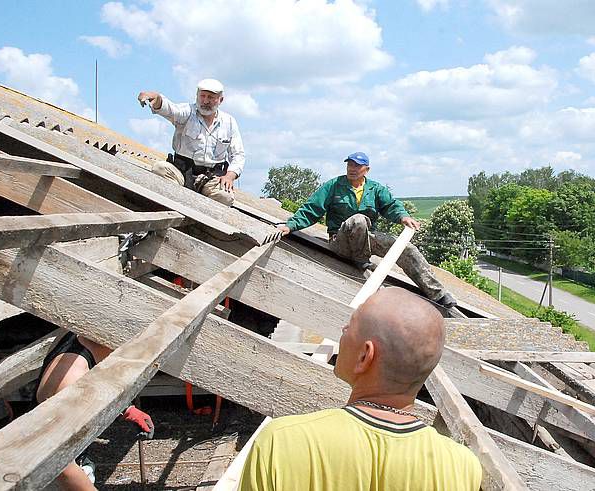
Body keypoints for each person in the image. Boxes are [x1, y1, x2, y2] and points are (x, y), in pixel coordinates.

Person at [238, 287, 482, 490]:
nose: (343, 330)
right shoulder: (462, 469)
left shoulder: (282, 442)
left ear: (365, 356)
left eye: (350, 325)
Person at [277, 152, 457, 308]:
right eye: (349, 165)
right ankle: (360, 260)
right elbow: (312, 209)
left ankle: (438, 293)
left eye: (357, 166)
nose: (352, 168)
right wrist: (290, 226)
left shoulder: (375, 189)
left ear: (367, 170)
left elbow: (391, 206)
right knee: (359, 220)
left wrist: (403, 217)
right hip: (340, 242)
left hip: (366, 240)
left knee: (406, 249)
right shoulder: (333, 186)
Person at [35, 332, 154, 490]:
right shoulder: (70, 382)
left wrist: (126, 409)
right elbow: (56, 461)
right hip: (45, 475)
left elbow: (99, 379)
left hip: (70, 456)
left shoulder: (83, 337)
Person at [137, 79, 245, 206]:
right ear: (197, 96)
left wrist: (230, 176)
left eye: (210, 97)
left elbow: (238, 154)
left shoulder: (229, 122)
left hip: (211, 178)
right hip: (181, 172)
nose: (205, 101)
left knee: (225, 197)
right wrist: (157, 98)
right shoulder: (187, 112)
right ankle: (176, 203)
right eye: (202, 96)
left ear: (220, 100)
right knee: (160, 168)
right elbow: (171, 110)